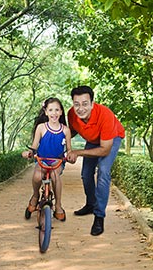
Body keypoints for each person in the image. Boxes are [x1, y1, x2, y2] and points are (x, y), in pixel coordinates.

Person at [67, 86, 125, 235]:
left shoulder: (105, 114)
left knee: (103, 172)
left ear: (92, 103)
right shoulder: (71, 114)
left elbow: (105, 149)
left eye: (85, 103)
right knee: (86, 174)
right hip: (93, 139)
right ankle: (90, 204)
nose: (80, 108)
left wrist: (78, 152)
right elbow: (71, 132)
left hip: (111, 138)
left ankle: (99, 216)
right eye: (77, 104)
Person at [22, 97, 72, 221]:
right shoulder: (41, 128)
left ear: (61, 112)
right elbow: (34, 147)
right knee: (37, 176)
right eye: (51, 110)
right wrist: (28, 153)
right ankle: (35, 196)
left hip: (57, 161)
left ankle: (58, 205)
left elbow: (69, 149)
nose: (54, 113)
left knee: (55, 176)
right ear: (46, 112)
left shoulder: (66, 130)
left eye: (57, 110)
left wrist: (70, 155)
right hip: (42, 160)